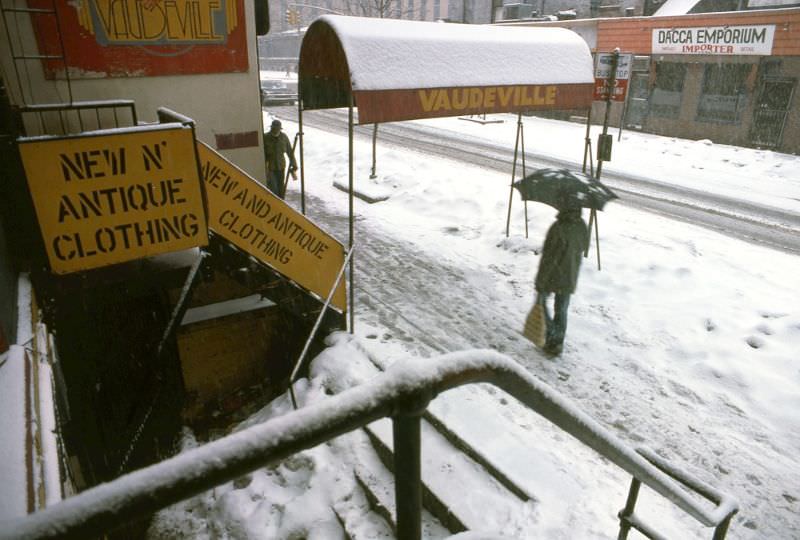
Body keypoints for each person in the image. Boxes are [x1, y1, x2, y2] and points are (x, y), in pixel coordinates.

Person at [534, 207, 589, 355]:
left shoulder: (557, 227)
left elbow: (549, 256)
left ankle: (552, 334)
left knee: (540, 303)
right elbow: (585, 246)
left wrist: (541, 280)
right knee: (562, 310)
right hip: (570, 275)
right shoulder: (582, 225)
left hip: (553, 274)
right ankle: (557, 344)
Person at [263, 119, 297, 198]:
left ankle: (281, 204)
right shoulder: (265, 137)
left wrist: (294, 164)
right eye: (274, 128)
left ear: (280, 129)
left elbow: (290, 152)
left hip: (281, 166)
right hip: (270, 168)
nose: (275, 130)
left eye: (277, 128)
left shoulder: (284, 137)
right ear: (271, 128)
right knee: (273, 189)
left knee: (281, 188)